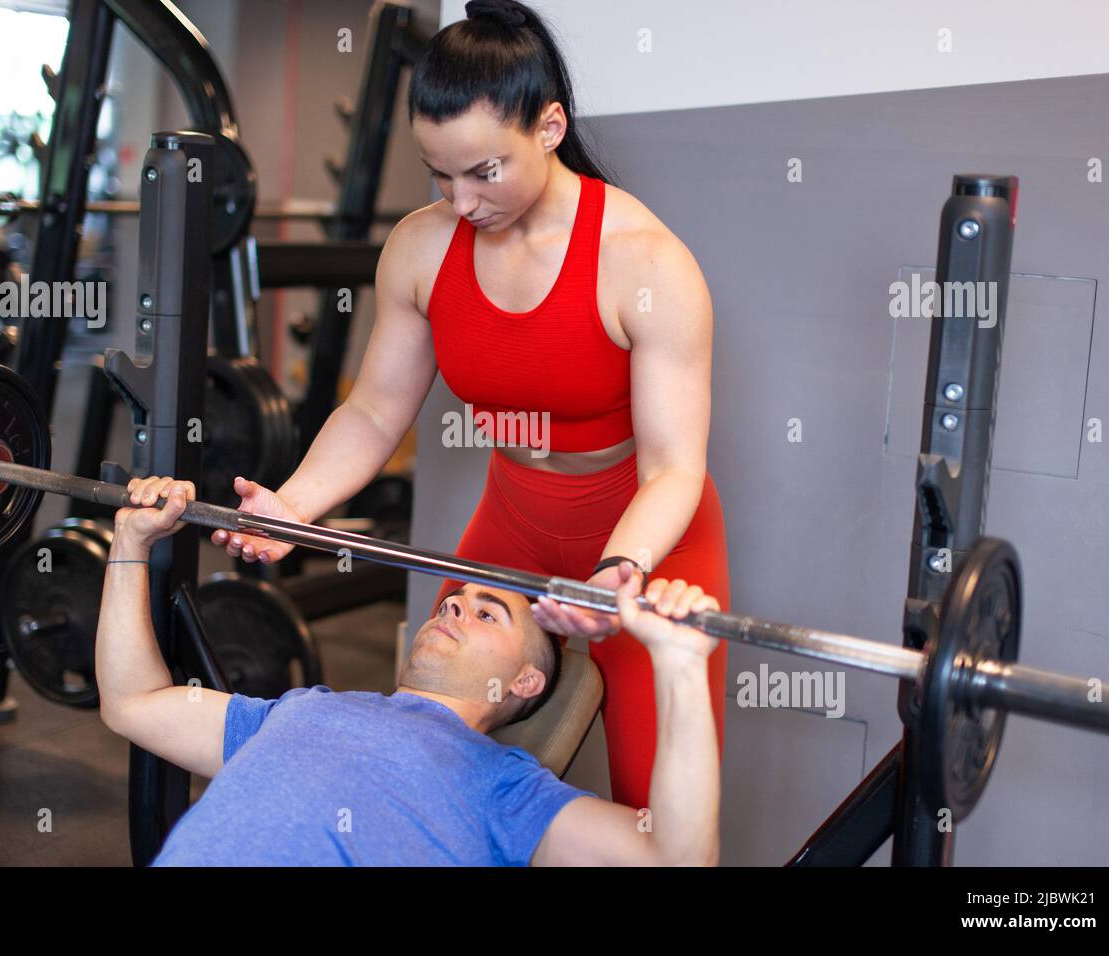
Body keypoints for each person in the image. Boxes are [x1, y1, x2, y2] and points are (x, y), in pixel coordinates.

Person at [209, 0, 729, 810]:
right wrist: (293, 507)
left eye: (484, 171)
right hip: (512, 525)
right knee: (434, 760)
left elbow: (672, 467)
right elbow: (377, 410)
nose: (460, 201)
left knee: (654, 811)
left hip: (649, 540)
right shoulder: (420, 247)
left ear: (550, 128)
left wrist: (616, 573)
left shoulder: (645, 262)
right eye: (439, 174)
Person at [99, 477, 721, 866]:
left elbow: (675, 856)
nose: (453, 604)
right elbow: (132, 701)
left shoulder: (506, 789)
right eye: (455, 600)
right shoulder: (302, 709)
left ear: (526, 681)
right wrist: (129, 544)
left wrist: (682, 667)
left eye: (488, 613)